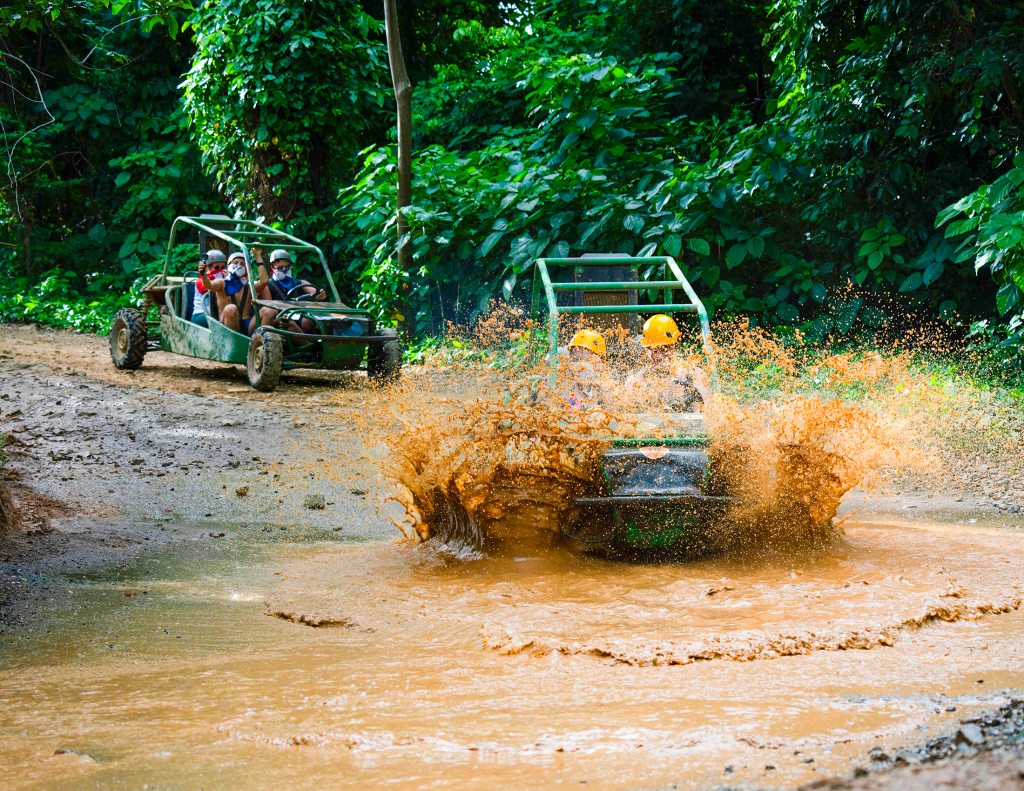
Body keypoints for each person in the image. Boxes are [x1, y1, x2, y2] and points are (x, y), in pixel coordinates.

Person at [623, 314, 712, 412]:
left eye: (665, 349)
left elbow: (706, 418)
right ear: (646, 351)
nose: (660, 356)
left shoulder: (695, 376)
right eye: (655, 351)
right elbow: (628, 422)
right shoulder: (635, 383)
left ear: (676, 348)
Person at [198, 250, 268, 335]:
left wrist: (257, 256)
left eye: (242, 264)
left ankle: (263, 344)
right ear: (228, 266)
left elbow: (264, 281)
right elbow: (208, 285)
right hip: (227, 326)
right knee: (231, 308)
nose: (239, 266)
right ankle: (234, 345)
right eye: (236, 263)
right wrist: (204, 274)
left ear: (246, 269)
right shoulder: (221, 283)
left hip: (247, 324)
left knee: (267, 311)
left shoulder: (248, 286)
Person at [260, 249, 327, 333]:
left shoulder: (300, 283)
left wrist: (319, 294)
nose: (284, 270)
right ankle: (308, 344)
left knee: (313, 319)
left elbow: (313, 291)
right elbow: (269, 309)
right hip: (279, 322)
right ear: (272, 267)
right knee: (286, 322)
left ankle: (321, 341)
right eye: (280, 268)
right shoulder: (268, 285)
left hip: (298, 318)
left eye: (287, 267)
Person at [562, 329, 618, 410]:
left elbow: (617, 415)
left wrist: (602, 380)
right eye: (576, 360)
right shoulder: (562, 386)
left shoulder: (609, 387)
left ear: (600, 360)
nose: (580, 365)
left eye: (585, 360)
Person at [191, 249, 226, 328]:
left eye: (223, 267)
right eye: (217, 267)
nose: (220, 270)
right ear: (207, 266)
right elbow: (211, 287)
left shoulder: (226, 277)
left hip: (218, 313)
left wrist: (230, 279)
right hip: (201, 314)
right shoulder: (200, 281)